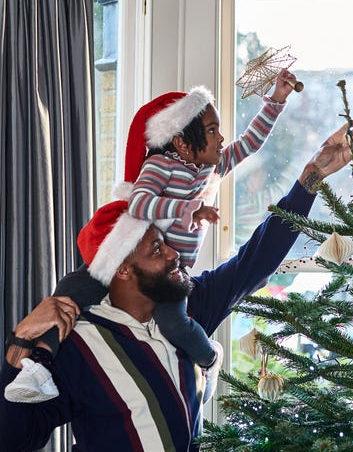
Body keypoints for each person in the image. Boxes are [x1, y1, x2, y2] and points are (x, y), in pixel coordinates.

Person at [0, 118, 353, 452]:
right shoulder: (77, 342)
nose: (173, 254)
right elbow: (12, 438)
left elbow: (257, 258)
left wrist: (311, 177)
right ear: (121, 268)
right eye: (156, 250)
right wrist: (18, 345)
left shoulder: (188, 309)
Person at [4, 72, 297, 405]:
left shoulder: (211, 168)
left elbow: (249, 143)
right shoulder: (161, 165)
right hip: (130, 261)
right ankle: (37, 366)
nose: (221, 138)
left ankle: (209, 359)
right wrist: (189, 209)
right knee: (70, 293)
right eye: (212, 131)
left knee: (175, 325)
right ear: (182, 143)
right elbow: (139, 202)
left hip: (170, 276)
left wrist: (277, 100)